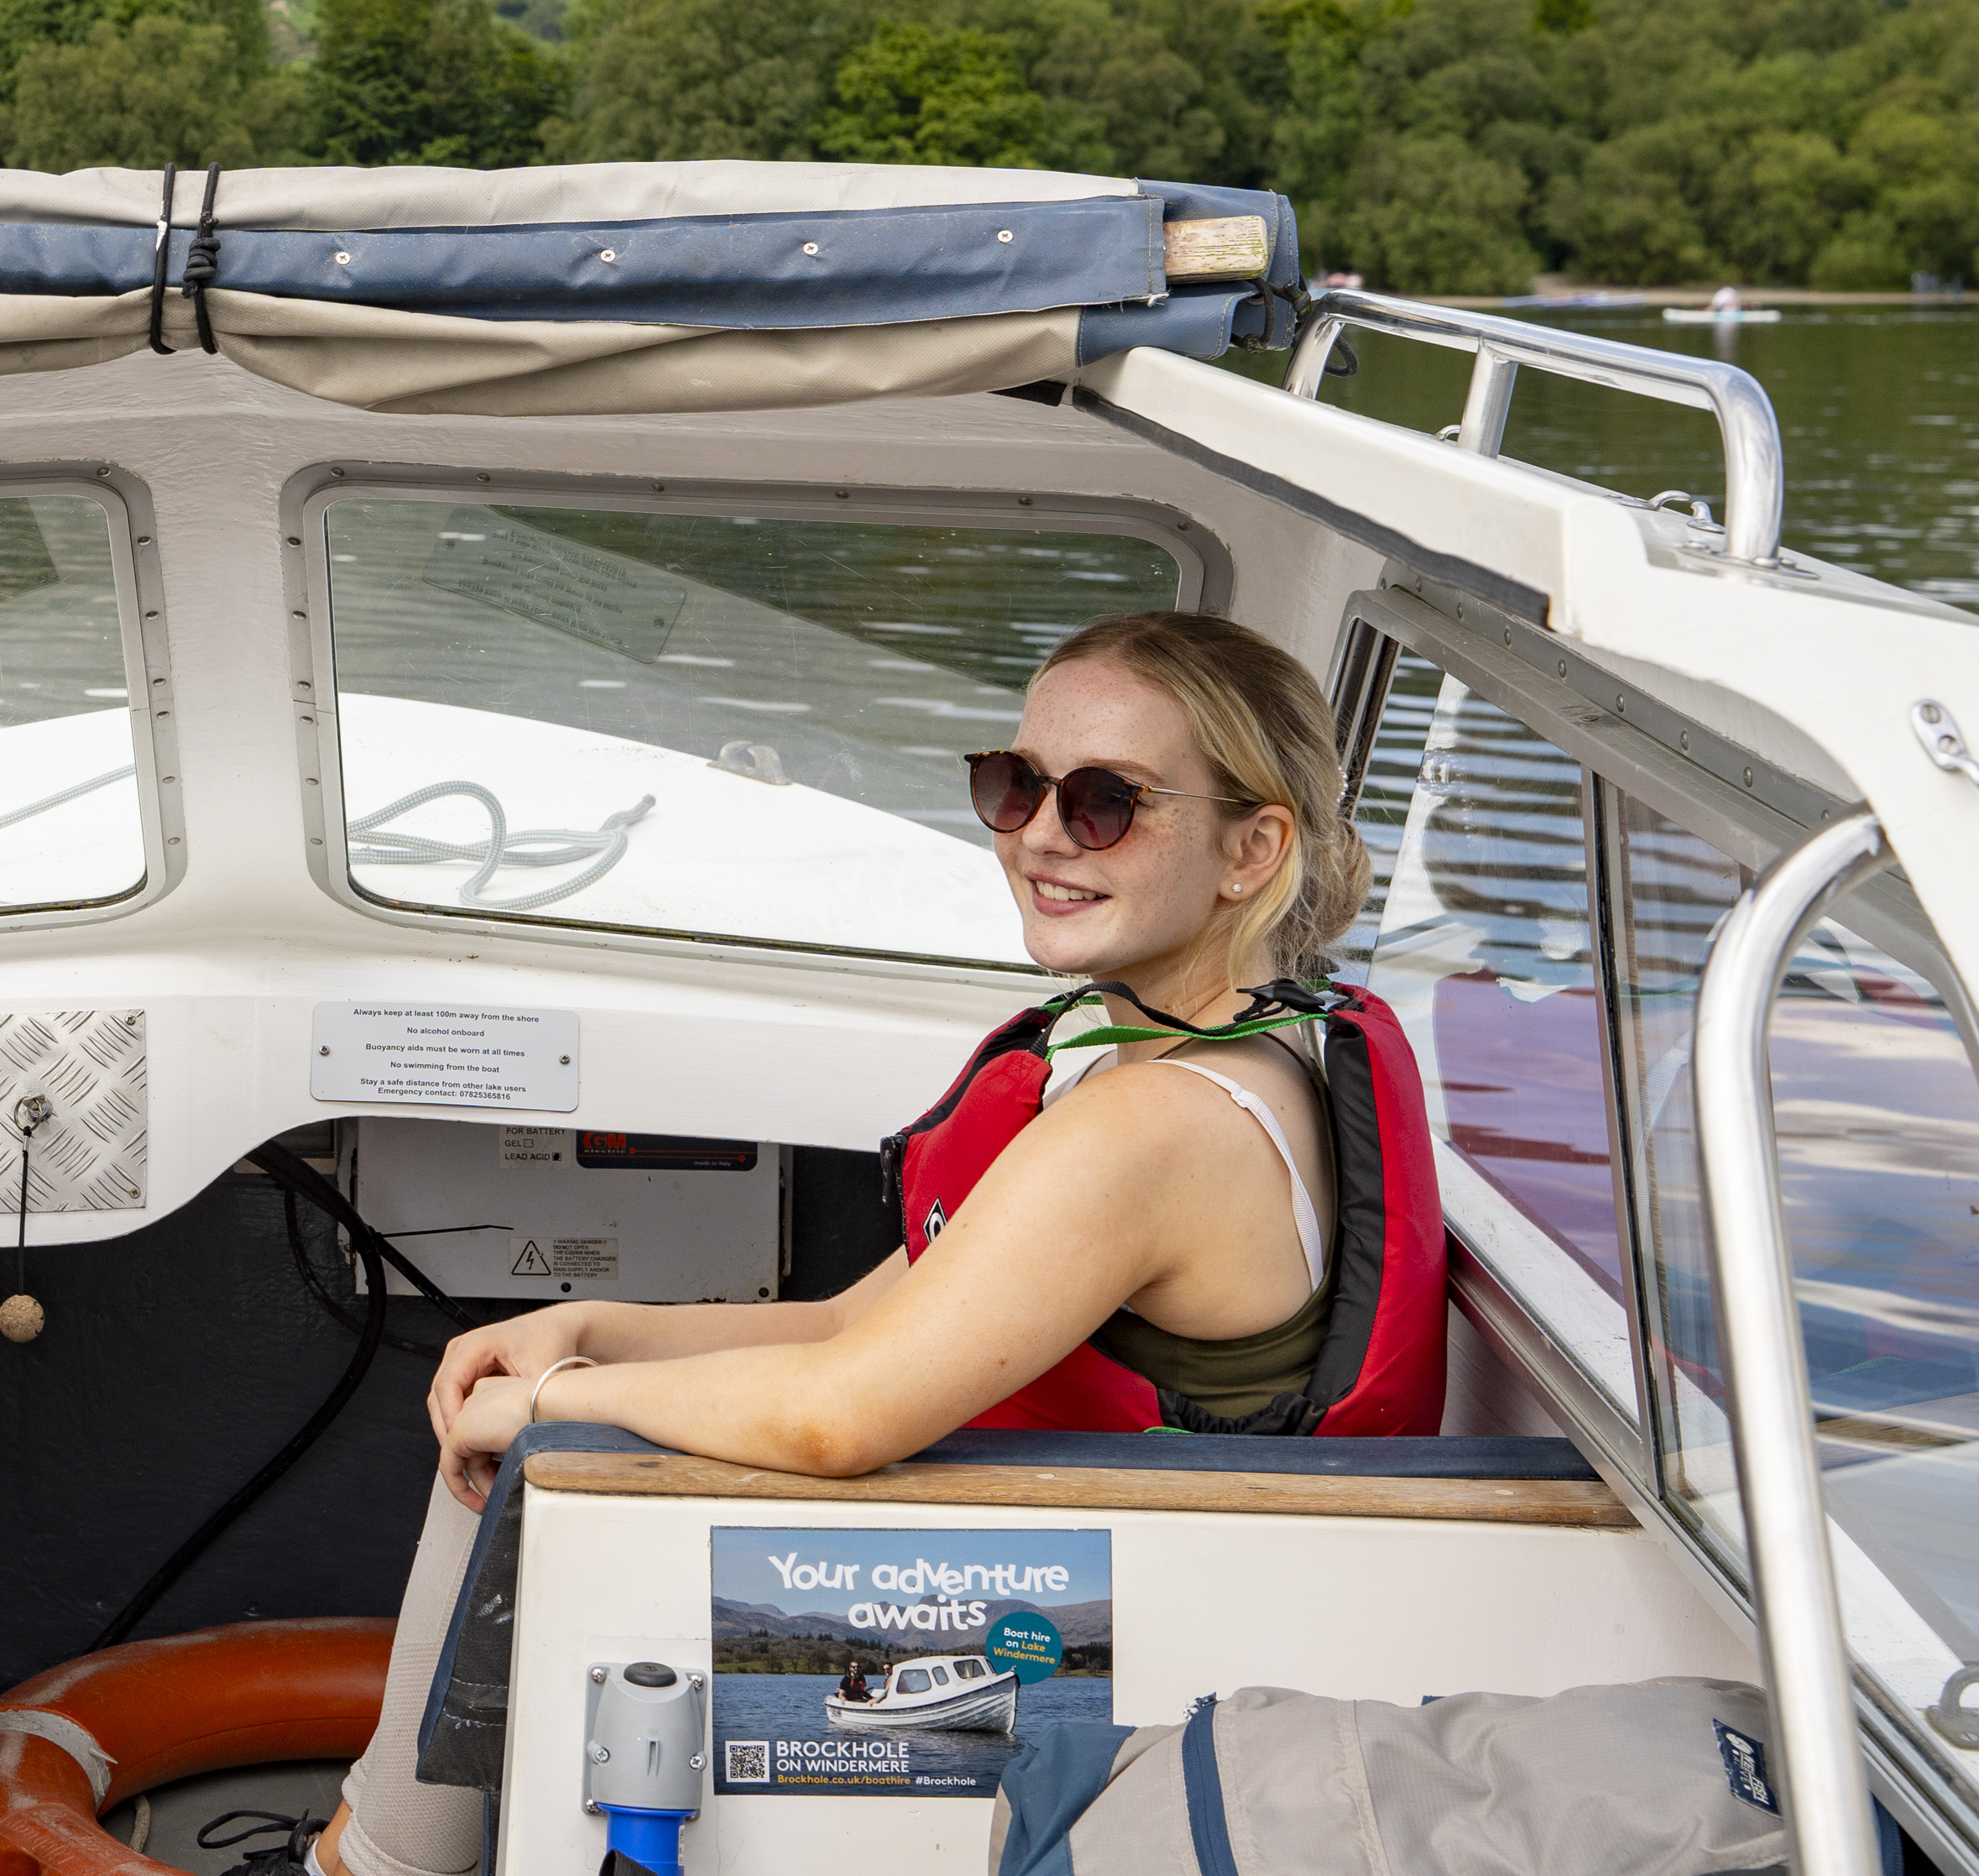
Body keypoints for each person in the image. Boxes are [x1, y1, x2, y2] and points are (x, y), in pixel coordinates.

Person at [307, 611, 1435, 1876]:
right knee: (535, 1414)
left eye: (1106, 801)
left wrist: (561, 1400)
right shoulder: (1216, 1049)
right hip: (1111, 1570)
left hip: (1077, 1636)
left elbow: (843, 1414)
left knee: (534, 1451)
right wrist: (586, 1329)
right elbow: (858, 1319)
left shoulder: (1159, 1121)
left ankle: (370, 1862)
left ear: (1252, 849)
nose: (1041, 835)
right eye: (1014, 787)